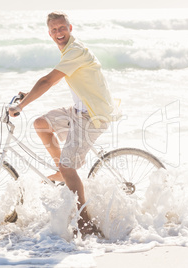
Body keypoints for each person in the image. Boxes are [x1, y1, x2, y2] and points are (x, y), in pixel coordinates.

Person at [9, 11, 117, 237]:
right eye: (54, 30)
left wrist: (21, 106)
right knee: (41, 124)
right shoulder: (69, 51)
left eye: (62, 28)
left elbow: (48, 80)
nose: (59, 32)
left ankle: (85, 222)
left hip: (93, 115)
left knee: (69, 167)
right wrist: (29, 94)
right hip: (79, 111)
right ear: (49, 33)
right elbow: (59, 79)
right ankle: (64, 172)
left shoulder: (76, 50)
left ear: (70, 28)